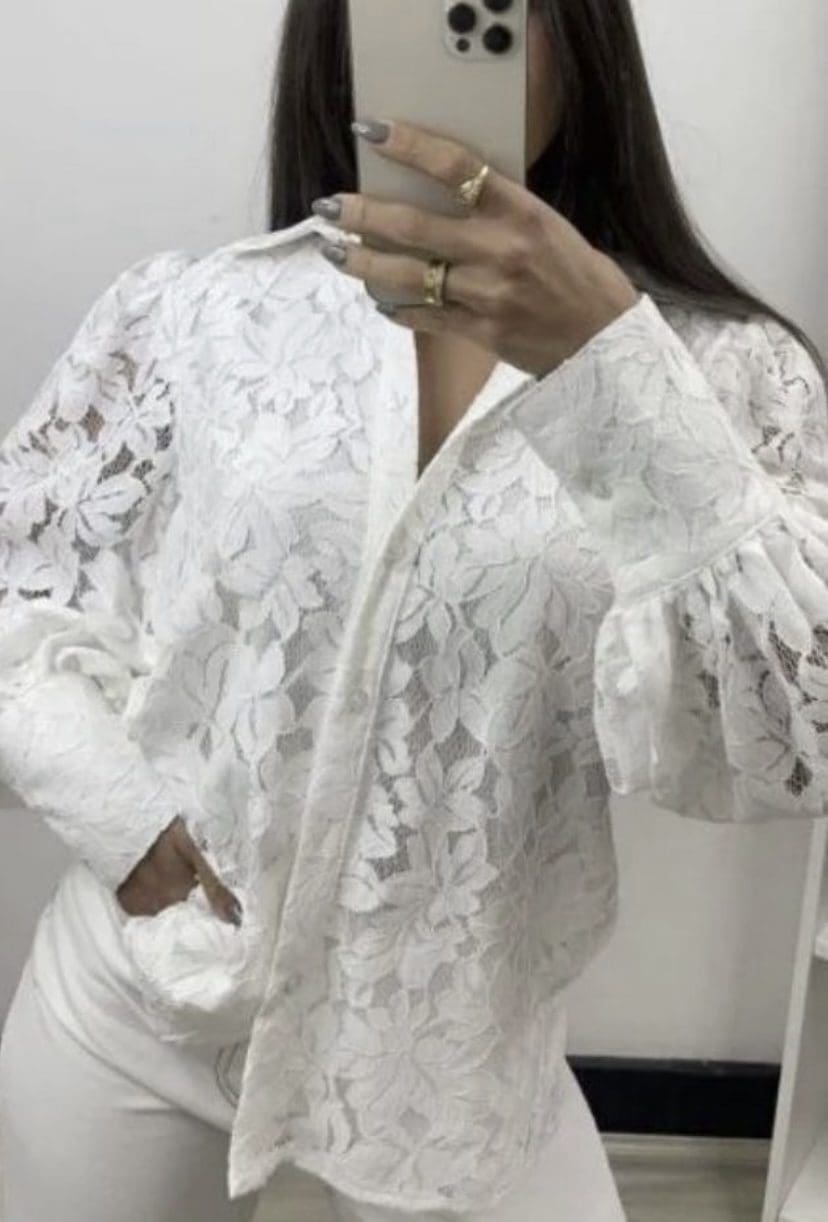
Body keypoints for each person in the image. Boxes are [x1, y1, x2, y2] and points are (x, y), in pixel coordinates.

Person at [1, 0, 827, 1219]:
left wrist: (612, 365)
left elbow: (800, 734)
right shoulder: (192, 313)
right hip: (147, 1003)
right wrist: (115, 813)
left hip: (455, 1061)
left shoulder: (726, 370)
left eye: (489, 12)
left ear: (582, 34)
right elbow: (15, 578)